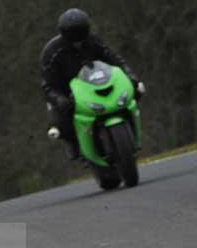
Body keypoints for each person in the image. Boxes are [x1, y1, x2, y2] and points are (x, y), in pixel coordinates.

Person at [41, 8, 144, 159]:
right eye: (73, 32)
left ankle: (131, 127)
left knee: (136, 90)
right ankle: (73, 143)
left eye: (81, 31)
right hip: (65, 90)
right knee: (59, 125)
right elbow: (47, 85)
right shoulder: (51, 52)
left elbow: (116, 60)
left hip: (96, 83)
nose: (78, 38)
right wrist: (59, 98)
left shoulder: (95, 41)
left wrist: (130, 76)